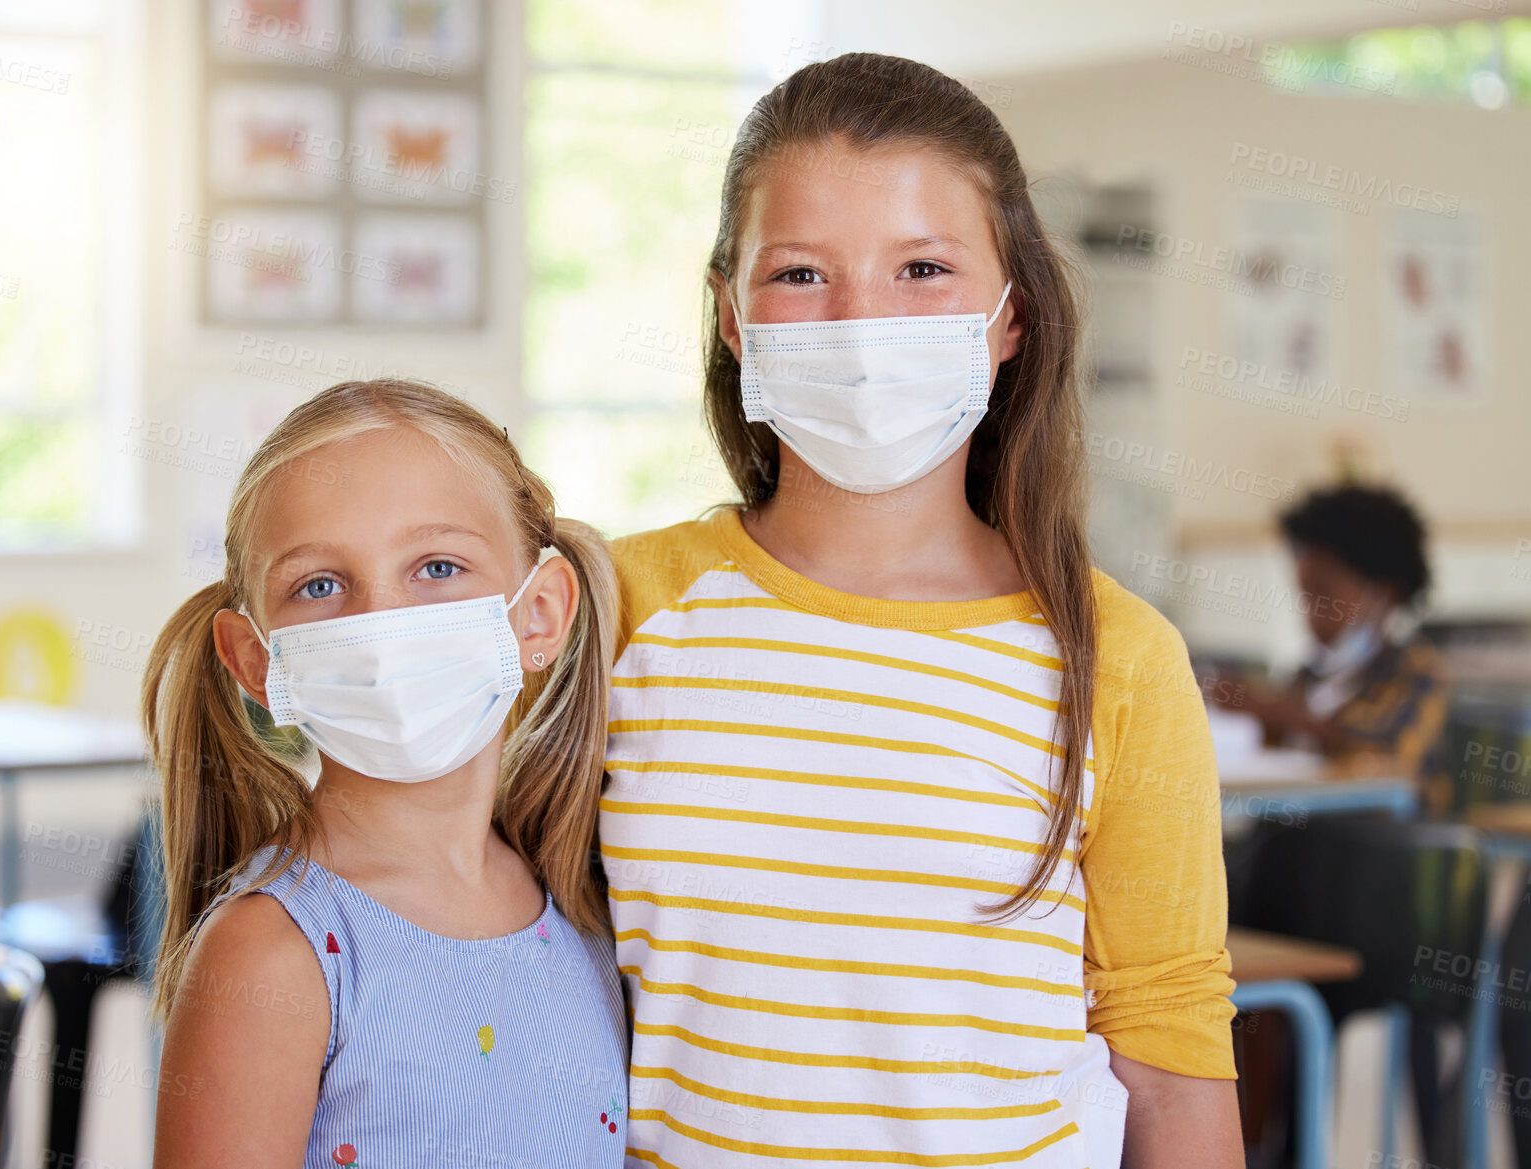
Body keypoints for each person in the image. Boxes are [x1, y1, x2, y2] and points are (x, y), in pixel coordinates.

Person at [601, 54, 1242, 1169]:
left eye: (923, 269)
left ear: (1011, 317)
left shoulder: (1118, 658)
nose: (860, 324)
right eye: (800, 274)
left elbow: (1173, 1081)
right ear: (731, 316)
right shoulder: (617, 606)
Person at [144, 380, 629, 1168]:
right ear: (256, 660)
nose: (381, 621)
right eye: (321, 586)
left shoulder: (582, 905)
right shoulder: (271, 953)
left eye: (437, 566)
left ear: (538, 612)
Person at [1234, 484, 1447, 803]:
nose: (1312, 613)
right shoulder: (1310, 676)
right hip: (1304, 831)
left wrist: (1279, 712)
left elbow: (1386, 753)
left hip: (1389, 842)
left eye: (1326, 595)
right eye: (1305, 595)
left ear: (1386, 593)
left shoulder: (1418, 671)